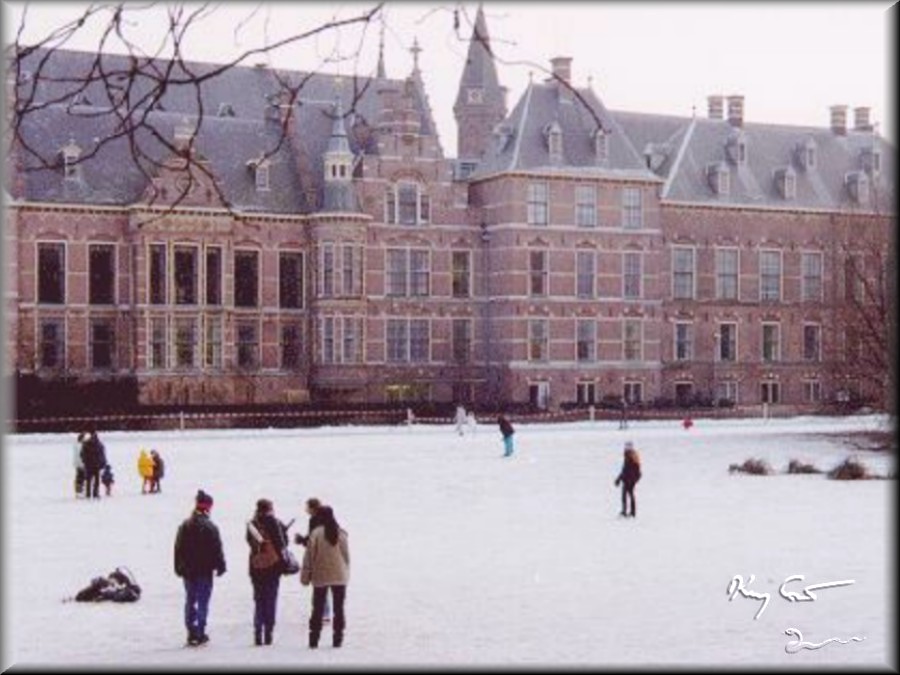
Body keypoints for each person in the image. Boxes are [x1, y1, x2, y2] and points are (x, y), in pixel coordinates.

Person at [174, 490, 227, 646]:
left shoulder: (184, 525)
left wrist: (178, 567)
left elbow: (178, 548)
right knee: (203, 600)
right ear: (208, 507)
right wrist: (221, 565)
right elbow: (217, 548)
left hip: (188, 571)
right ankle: (200, 631)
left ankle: (191, 631)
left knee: (190, 600)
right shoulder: (210, 527)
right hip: (204, 570)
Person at [300, 506, 350, 649]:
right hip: (339, 576)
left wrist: (305, 576)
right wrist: (345, 573)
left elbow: (309, 557)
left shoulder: (316, 534)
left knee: (317, 608)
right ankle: (338, 638)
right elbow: (346, 557)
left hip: (320, 575)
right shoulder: (341, 533)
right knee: (339, 608)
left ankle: (314, 638)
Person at [246, 498, 289, 646]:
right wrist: (283, 530)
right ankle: (268, 633)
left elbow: (250, 543)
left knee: (258, 600)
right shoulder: (273, 522)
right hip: (272, 568)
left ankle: (257, 634)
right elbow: (282, 544)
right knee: (271, 599)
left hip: (256, 567)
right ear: (269, 508)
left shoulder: (251, 524)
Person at [295, 498, 331, 623]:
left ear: (312, 508)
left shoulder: (314, 520)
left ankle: (322, 613)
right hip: (330, 556)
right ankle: (325, 613)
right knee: (324, 584)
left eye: (307, 507)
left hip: (317, 556)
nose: (306, 510)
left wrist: (300, 540)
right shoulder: (330, 519)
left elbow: (312, 541)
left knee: (319, 585)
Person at [614, 441, 642, 518]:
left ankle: (627, 512)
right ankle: (630, 512)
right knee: (628, 494)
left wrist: (620, 479)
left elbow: (627, 469)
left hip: (630, 479)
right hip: (630, 478)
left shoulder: (630, 456)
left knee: (626, 494)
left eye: (626, 447)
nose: (625, 448)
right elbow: (626, 469)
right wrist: (619, 478)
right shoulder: (632, 455)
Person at [80, 430, 107, 499]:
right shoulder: (99, 444)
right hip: (96, 465)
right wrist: (103, 463)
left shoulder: (86, 444)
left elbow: (82, 454)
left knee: (89, 480)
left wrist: (85, 461)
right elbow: (102, 455)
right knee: (96, 480)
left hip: (88, 465)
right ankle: (95, 493)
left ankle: (88, 494)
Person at [73, 432, 88, 497]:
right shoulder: (82, 446)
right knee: (82, 477)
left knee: (78, 477)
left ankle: (78, 490)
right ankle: (80, 490)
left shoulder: (76, 445)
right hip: (82, 464)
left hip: (77, 464)